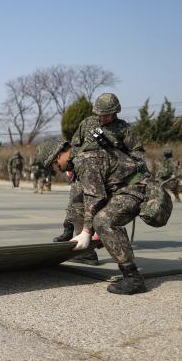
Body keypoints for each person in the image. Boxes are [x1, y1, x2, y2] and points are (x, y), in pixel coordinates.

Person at [38, 138, 148, 295]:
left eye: (56, 165)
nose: (59, 169)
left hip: (139, 189)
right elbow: (91, 196)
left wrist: (86, 231)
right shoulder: (81, 157)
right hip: (124, 189)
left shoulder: (85, 159)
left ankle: (133, 278)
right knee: (97, 219)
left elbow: (95, 198)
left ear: (57, 156)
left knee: (103, 221)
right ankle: (103, 257)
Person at [53, 93, 147, 266]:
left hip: (111, 177)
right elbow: (75, 145)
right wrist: (71, 164)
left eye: (106, 114)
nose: (102, 117)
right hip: (85, 173)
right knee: (77, 205)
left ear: (115, 112)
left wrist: (138, 176)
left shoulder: (124, 129)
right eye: (99, 114)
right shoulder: (87, 123)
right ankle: (83, 248)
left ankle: (118, 251)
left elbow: (137, 155)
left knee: (106, 215)